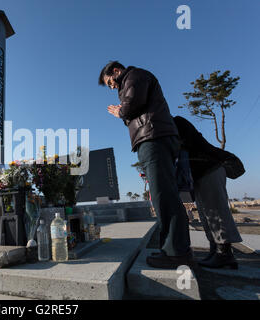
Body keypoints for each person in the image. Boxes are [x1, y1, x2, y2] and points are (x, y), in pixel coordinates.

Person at [99, 61, 192, 268]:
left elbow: (132, 105)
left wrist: (120, 112)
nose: (112, 87)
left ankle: (176, 253)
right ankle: (173, 249)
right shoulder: (132, 79)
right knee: (164, 195)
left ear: (116, 71)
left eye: (110, 82)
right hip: (153, 137)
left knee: (163, 196)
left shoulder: (135, 76)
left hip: (153, 137)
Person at [173, 116, 244, 269]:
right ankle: (216, 250)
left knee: (216, 211)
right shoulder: (169, 126)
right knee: (206, 213)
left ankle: (224, 253)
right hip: (199, 173)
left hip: (209, 167)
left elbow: (188, 145)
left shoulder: (177, 122)